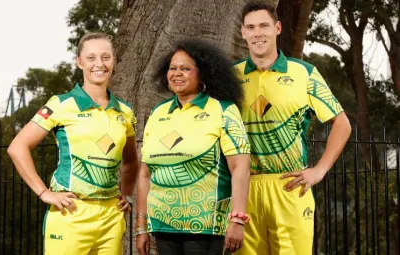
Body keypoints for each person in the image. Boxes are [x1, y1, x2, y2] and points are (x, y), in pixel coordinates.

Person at [233, 2, 352, 255]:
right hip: (244, 188)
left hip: (289, 186)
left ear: (277, 28)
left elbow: (342, 124)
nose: (258, 33)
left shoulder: (304, 73)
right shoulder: (231, 77)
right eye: (251, 27)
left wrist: (319, 170)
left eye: (264, 26)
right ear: (242, 32)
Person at [7, 32, 139, 255]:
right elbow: (17, 147)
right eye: (91, 58)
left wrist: (126, 194)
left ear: (114, 60)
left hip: (111, 217)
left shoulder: (124, 111)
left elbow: (131, 162)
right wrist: (43, 193)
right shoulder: (60, 104)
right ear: (79, 62)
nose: (99, 64)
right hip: (71, 213)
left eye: (106, 57)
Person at [135, 38, 251, 255]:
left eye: (185, 68)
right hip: (163, 226)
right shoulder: (158, 113)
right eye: (173, 68)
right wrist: (141, 226)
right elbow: (145, 174)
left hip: (206, 228)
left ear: (203, 74)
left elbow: (240, 168)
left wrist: (238, 219)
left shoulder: (223, 110)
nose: (177, 73)